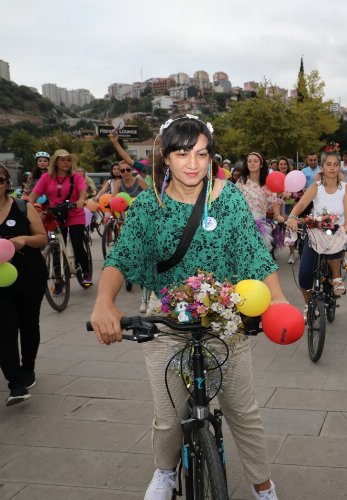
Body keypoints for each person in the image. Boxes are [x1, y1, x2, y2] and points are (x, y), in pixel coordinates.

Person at [89, 115, 283, 500]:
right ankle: (165, 472)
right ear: (165, 155)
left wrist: (278, 301)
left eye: (201, 153)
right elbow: (121, 258)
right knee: (168, 419)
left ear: (211, 156)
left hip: (225, 321)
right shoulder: (148, 205)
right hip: (167, 322)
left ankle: (264, 488)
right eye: (182, 153)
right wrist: (102, 303)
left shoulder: (228, 198)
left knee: (244, 414)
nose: (193, 164)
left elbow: (255, 257)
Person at [0, 163, 48, 406]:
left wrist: (24, 239)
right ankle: (15, 385)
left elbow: (42, 238)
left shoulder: (22, 206)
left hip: (30, 276)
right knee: (5, 329)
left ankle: (27, 368)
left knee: (28, 325)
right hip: (0, 284)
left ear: (7, 183)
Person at [286, 150, 347, 299]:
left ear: (339, 168)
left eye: (336, 165)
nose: (332, 168)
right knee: (304, 274)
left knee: (334, 244)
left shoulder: (345, 188)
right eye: (328, 164)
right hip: (315, 231)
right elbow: (303, 202)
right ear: (322, 167)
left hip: (336, 232)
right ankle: (307, 306)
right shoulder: (316, 186)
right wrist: (292, 216)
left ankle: (336, 278)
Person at [29, 150, 92, 286]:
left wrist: (81, 200)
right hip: (55, 215)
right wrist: (29, 205)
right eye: (63, 160)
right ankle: (58, 279)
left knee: (77, 244)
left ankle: (86, 271)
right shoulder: (46, 177)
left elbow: (82, 190)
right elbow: (34, 194)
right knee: (56, 248)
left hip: (75, 213)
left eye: (69, 160)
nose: (66, 162)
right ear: (55, 162)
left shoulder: (76, 177)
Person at [235, 152, 284, 253]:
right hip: (241, 223)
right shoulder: (241, 181)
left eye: (255, 161)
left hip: (261, 224)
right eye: (249, 161)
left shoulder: (267, 183)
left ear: (261, 164)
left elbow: (274, 201)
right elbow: (233, 200)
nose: (252, 163)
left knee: (260, 254)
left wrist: (278, 215)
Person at [276, 156, 300, 264]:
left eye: (285, 164)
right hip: (277, 207)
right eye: (281, 164)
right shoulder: (274, 177)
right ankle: (273, 250)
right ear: (278, 165)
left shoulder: (293, 177)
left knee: (289, 229)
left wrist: (292, 196)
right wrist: (281, 194)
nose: (283, 166)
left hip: (290, 207)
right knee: (275, 230)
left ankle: (291, 253)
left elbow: (298, 193)